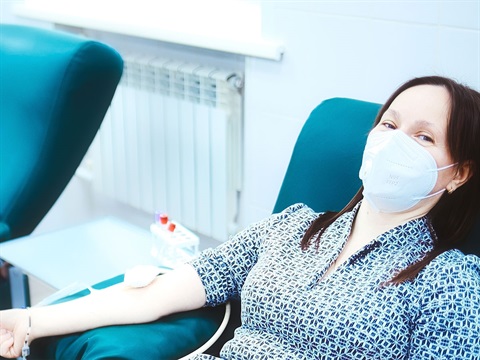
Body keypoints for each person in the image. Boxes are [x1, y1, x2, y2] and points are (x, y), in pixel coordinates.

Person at [1, 75, 479, 359]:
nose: (394, 142)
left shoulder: (451, 281)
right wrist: (28, 321)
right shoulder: (292, 226)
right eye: (389, 125)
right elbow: (160, 294)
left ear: (458, 174)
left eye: (422, 137)